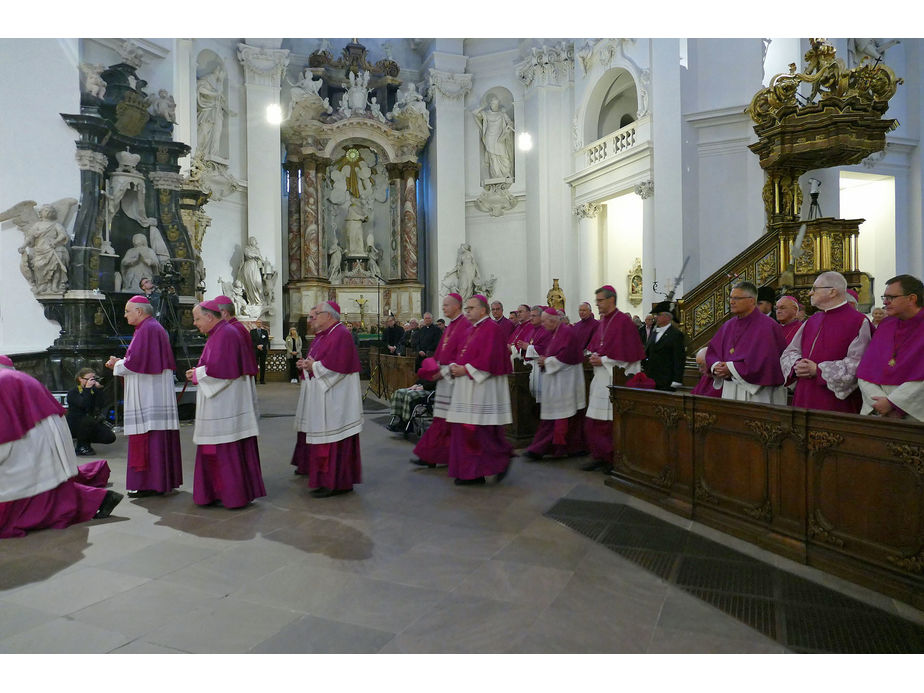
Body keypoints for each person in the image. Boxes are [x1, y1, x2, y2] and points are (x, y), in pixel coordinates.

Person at [0, 365, 123, 538]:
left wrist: (92, 391)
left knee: (21, 499)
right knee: (47, 488)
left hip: (33, 437)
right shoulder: (16, 377)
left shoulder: (4, 382)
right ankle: (97, 498)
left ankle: (94, 498)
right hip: (49, 433)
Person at [186, 300, 266, 508]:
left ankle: (229, 494)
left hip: (225, 404)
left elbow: (221, 372)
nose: (195, 323)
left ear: (210, 317)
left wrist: (197, 373)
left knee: (223, 450)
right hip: (224, 402)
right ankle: (218, 492)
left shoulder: (226, 334)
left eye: (197, 319)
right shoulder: (220, 334)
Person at [105, 296, 183, 497]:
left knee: (149, 435)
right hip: (151, 391)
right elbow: (140, 360)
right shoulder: (149, 328)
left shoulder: (148, 329)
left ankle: (150, 483)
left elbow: (136, 363)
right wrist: (122, 361)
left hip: (149, 396)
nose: (125, 315)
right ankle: (157, 482)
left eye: (127, 311)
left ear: (139, 311)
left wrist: (117, 364)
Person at [291, 301, 363, 497]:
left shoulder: (341, 334)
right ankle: (328, 480)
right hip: (328, 395)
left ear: (329, 316)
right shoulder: (327, 335)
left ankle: (335, 483)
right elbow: (321, 361)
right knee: (327, 438)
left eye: (317, 314)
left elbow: (336, 367)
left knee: (333, 439)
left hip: (338, 398)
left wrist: (313, 366)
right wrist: (307, 365)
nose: (314, 318)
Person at [780, 272, 872, 414]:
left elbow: (859, 364)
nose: (810, 293)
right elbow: (790, 351)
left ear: (832, 291)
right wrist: (796, 364)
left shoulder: (858, 321)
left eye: (815, 288)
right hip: (804, 396)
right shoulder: (812, 320)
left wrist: (818, 370)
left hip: (834, 403)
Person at [445, 295, 513, 485]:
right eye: (466, 308)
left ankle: (478, 471)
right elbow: (463, 353)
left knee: (478, 432)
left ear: (483, 310)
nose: (467, 311)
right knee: (467, 431)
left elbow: (489, 359)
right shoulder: (472, 329)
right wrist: (454, 366)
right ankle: (470, 471)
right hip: (468, 387)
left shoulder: (492, 329)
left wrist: (465, 369)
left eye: (471, 308)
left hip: (484, 389)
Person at [582, 285, 646, 473]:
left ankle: (612, 459)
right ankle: (599, 456)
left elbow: (627, 356)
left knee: (609, 424)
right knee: (595, 421)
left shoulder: (623, 322)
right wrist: (594, 355)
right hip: (600, 379)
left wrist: (602, 359)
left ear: (611, 299)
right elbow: (598, 345)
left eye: (600, 300)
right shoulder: (603, 322)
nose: (597, 304)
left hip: (615, 380)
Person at [410, 293, 469, 467]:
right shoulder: (451, 326)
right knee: (441, 420)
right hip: (444, 379)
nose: (443, 308)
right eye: (443, 305)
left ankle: (437, 456)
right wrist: (432, 367)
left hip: (456, 381)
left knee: (452, 423)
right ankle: (431, 455)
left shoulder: (464, 326)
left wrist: (444, 370)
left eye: (446, 305)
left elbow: (462, 354)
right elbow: (441, 352)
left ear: (457, 306)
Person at [705, 281, 787, 404]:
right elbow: (713, 350)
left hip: (757, 391)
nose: (732, 302)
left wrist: (731, 368)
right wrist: (716, 366)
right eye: (731, 298)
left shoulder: (768, 326)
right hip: (730, 388)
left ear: (751, 301)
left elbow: (767, 361)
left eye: (737, 298)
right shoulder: (728, 325)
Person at [856, 274, 924, 421]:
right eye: (884, 297)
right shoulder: (886, 325)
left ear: (912, 298)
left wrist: (894, 404)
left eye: (891, 297)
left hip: (914, 413)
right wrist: (881, 404)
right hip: (879, 411)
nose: (885, 302)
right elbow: (866, 370)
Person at [524, 308, 587, 460]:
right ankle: (566, 448)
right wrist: (545, 360)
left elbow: (566, 356)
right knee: (558, 418)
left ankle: (541, 449)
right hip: (558, 382)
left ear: (552, 320)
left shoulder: (566, 332)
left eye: (544, 321)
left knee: (561, 418)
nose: (543, 324)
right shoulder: (555, 333)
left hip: (567, 382)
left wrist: (547, 361)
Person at [66, 368, 116, 456]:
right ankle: (81, 447)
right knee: (88, 420)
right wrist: (87, 389)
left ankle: (86, 440)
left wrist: (99, 390)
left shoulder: (94, 391)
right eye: (89, 379)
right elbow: (84, 405)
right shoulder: (73, 392)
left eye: (94, 378)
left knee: (110, 437)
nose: (92, 381)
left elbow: (101, 405)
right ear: (80, 379)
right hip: (75, 423)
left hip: (90, 422)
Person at [641, 301, 686, 391]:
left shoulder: (675, 334)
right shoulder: (655, 332)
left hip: (666, 379)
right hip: (651, 377)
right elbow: (649, 352)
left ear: (667, 316)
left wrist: (677, 379)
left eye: (658, 314)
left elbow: (679, 358)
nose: (655, 317)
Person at [473, 94, 515, 181]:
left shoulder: (502, 114)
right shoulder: (485, 113)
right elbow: (474, 113)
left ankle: (506, 173)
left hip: (500, 138)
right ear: (490, 104)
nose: (495, 106)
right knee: (493, 157)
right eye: (493, 104)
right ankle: (497, 176)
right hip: (489, 137)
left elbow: (510, 122)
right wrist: (482, 106)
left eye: (496, 104)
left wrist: (508, 128)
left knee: (504, 156)